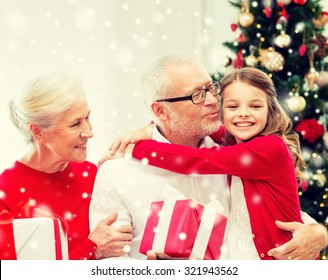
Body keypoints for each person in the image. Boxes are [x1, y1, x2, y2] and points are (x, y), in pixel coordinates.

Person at [92, 55, 327, 260]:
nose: (214, 101)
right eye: (197, 95)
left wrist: (319, 233)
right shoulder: (118, 172)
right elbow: (112, 261)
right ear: (159, 111)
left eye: (211, 88)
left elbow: (269, 212)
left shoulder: (231, 150)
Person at [0, 73, 133, 260]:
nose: (89, 132)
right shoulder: (5, 194)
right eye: (75, 124)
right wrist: (92, 249)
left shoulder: (91, 174)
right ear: (38, 131)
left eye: (87, 118)